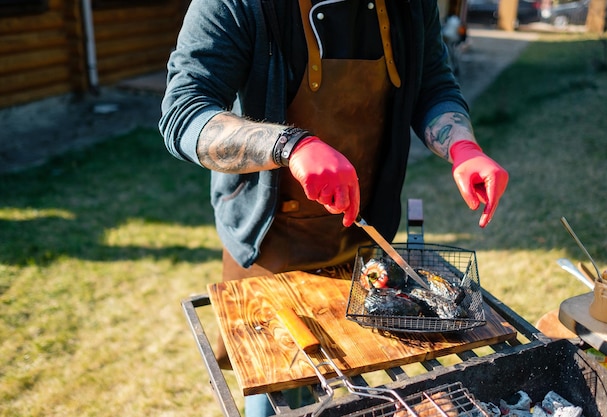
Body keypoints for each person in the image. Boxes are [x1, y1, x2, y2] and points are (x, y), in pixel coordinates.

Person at [160, 0, 508, 414]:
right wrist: (290, 146)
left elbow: (433, 85)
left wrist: (462, 147)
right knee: (276, 386)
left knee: (338, 383)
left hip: (361, 238)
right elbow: (183, 114)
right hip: (269, 242)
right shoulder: (238, 5)